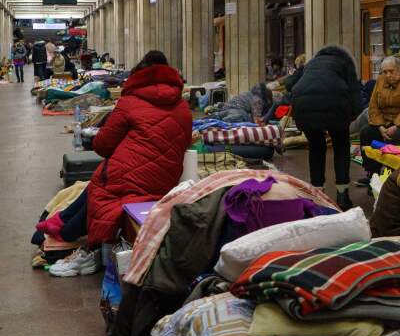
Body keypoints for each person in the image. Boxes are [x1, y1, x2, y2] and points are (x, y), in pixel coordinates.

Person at [44, 51, 193, 277]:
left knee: (102, 184)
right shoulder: (183, 106)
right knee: (100, 181)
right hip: (165, 180)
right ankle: (61, 223)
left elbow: (102, 145)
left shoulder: (130, 102)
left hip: (133, 182)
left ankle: (69, 235)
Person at [289, 45, 362, 210]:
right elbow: (354, 91)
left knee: (316, 147)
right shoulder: (345, 63)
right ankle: (342, 195)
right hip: (336, 104)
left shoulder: (311, 63)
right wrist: (354, 114)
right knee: (341, 146)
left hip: (304, 106)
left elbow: (290, 83)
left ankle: (317, 194)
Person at [209, 83, 274, 124]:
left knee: (220, 116)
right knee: (244, 117)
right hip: (236, 111)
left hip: (226, 109)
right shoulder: (258, 100)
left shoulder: (248, 93)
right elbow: (256, 120)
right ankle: (221, 122)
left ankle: (215, 117)